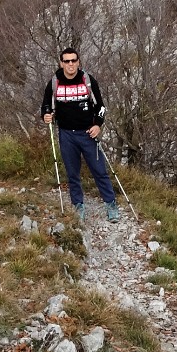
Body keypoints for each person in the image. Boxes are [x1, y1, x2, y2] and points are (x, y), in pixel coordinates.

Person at [42, 47, 119, 222]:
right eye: (67, 61)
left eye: (73, 60)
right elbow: (46, 106)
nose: (70, 64)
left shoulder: (88, 80)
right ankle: (78, 205)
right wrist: (46, 115)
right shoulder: (54, 82)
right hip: (66, 134)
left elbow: (101, 106)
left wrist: (98, 125)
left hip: (87, 133)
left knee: (100, 171)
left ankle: (111, 204)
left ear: (78, 62)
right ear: (61, 63)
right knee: (72, 173)